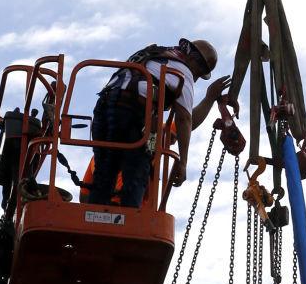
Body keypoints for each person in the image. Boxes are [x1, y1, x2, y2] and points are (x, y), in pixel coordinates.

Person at [86, 37, 227, 208]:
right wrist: (182, 163)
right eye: (199, 72)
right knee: (138, 168)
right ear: (194, 60)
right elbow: (184, 119)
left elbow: (181, 126)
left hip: (104, 108)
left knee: (104, 172)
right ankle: (129, 219)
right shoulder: (182, 70)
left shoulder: (154, 57)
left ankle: (94, 214)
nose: (195, 78)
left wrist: (210, 98)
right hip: (133, 112)